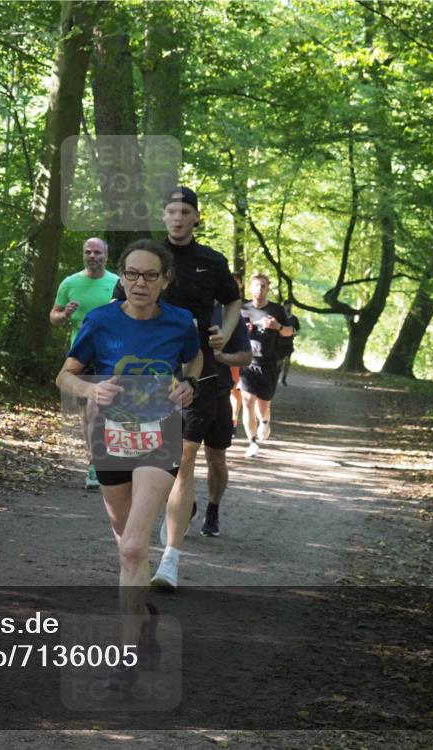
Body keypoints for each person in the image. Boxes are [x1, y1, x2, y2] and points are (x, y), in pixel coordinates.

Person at [56, 239, 202, 689]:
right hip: (111, 438)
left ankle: (126, 658)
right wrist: (90, 391)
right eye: (132, 274)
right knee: (125, 542)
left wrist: (188, 385)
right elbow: (66, 375)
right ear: (122, 276)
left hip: (160, 435)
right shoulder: (100, 321)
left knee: (134, 548)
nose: (140, 283)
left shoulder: (180, 323)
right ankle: (145, 618)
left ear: (165, 280)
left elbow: (193, 360)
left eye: (150, 276)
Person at [113, 186, 241, 591]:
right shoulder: (145, 258)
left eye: (186, 211)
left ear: (196, 218)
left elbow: (233, 302)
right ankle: (143, 531)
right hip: (146, 374)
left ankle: (170, 558)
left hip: (196, 371)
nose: (178, 217)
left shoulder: (212, 262)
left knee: (183, 458)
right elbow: (121, 306)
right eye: (171, 211)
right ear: (163, 216)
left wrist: (225, 334)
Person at [50, 237, 120, 489]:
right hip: (79, 356)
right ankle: (94, 460)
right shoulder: (70, 283)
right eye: (88, 252)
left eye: (97, 252)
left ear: (106, 256)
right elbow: (54, 317)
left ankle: (97, 463)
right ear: (83, 255)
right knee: (86, 414)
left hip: (110, 355)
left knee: (96, 410)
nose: (93, 256)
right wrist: (64, 314)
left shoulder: (116, 283)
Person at [200, 304, 251, 537]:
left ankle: (212, 510)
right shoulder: (175, 305)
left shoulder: (227, 315)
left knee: (216, 459)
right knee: (178, 458)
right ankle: (185, 505)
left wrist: (221, 357)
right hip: (178, 394)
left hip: (217, 394)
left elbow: (246, 356)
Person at [239, 273, 292, 458]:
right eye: (256, 285)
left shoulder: (276, 310)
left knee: (263, 405)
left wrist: (277, 326)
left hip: (269, 364)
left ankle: (264, 422)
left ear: (268, 289)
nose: (259, 289)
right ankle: (252, 442)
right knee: (247, 402)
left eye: (263, 286)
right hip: (248, 363)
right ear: (250, 289)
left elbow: (289, 332)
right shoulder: (242, 309)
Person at [228, 272, 247, 427]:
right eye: (231, 281)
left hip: (239, 351)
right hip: (223, 350)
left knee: (235, 389)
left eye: (237, 282)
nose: (234, 284)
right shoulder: (218, 302)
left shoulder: (246, 307)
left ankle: (233, 421)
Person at [277, 300, 300, 386]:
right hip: (279, 343)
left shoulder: (294, 319)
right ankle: (276, 376)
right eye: (287, 305)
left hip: (289, 343)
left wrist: (294, 333)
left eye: (290, 305)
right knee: (279, 362)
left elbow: (298, 331)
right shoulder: (280, 318)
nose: (289, 307)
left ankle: (284, 379)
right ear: (284, 306)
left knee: (287, 361)